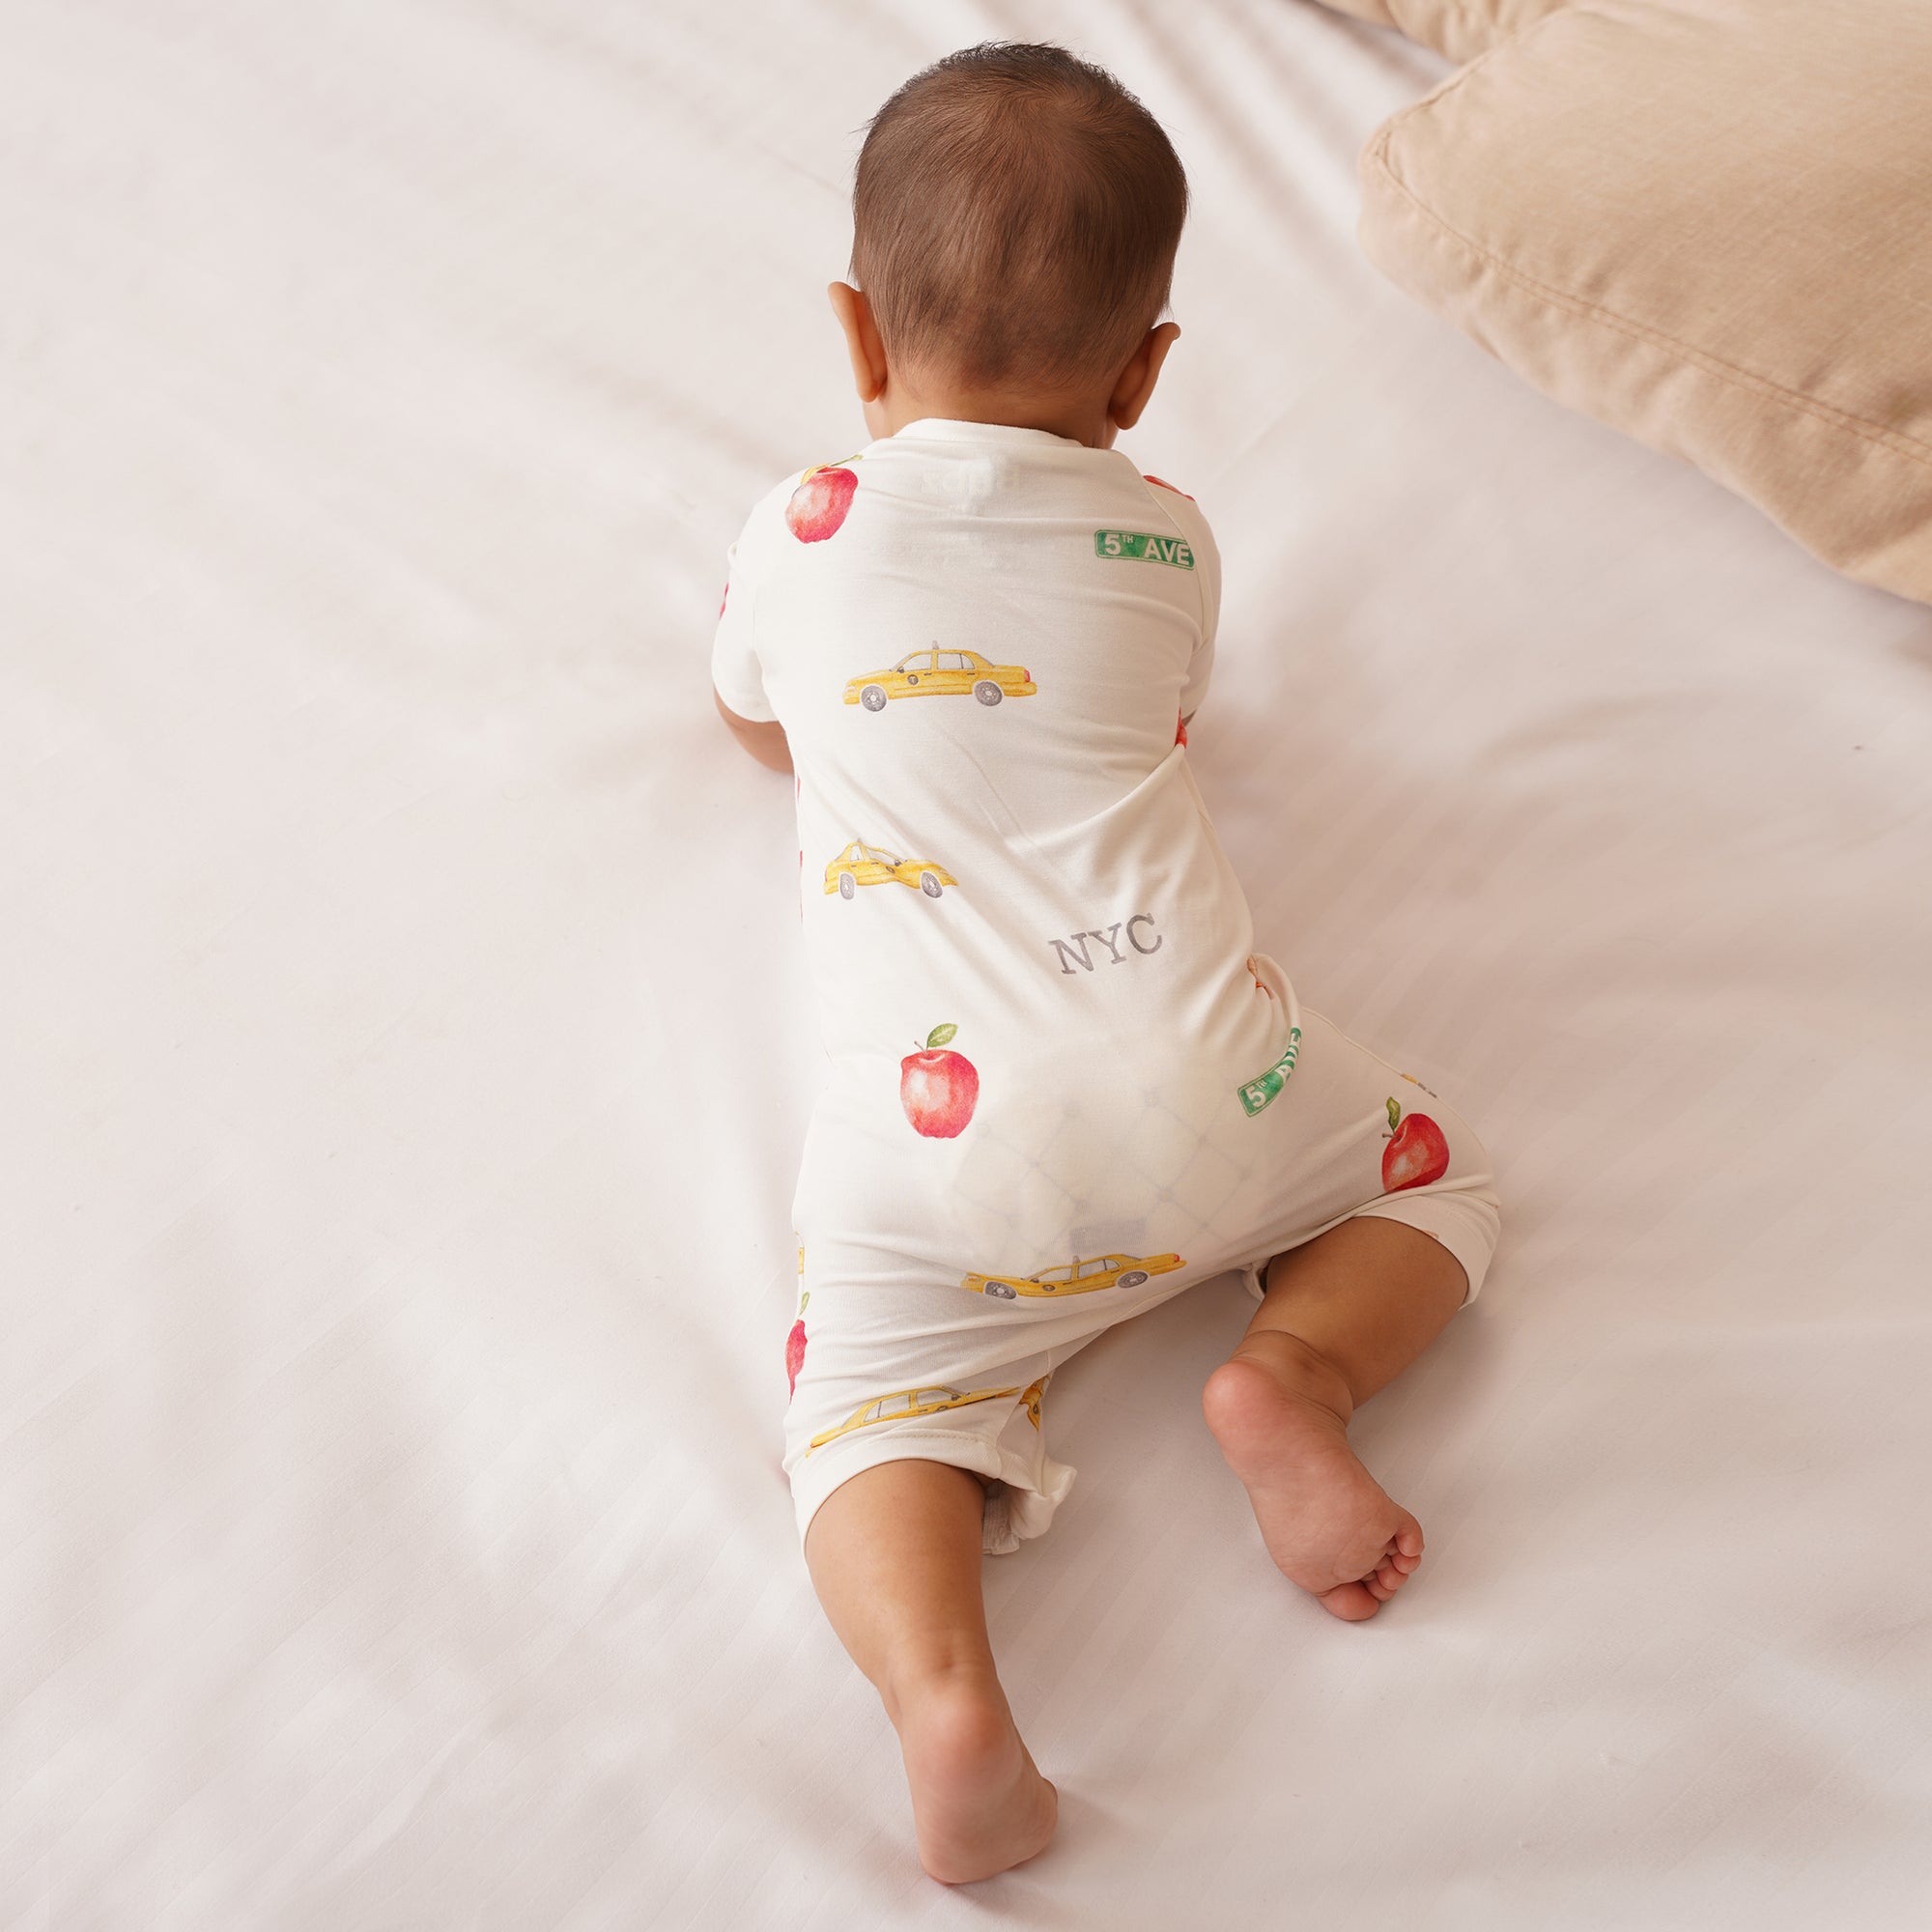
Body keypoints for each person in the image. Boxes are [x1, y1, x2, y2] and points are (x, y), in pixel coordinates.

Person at [711, 42, 1501, 1886]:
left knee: (870, 1419)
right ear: (1146, 370)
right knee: (1439, 1182)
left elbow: (757, 729)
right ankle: (1290, 1376)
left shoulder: (800, 533)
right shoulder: (1164, 540)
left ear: (854, 331)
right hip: (1210, 1086)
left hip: (941, 1168)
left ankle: (945, 1704)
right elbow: (1168, 713)